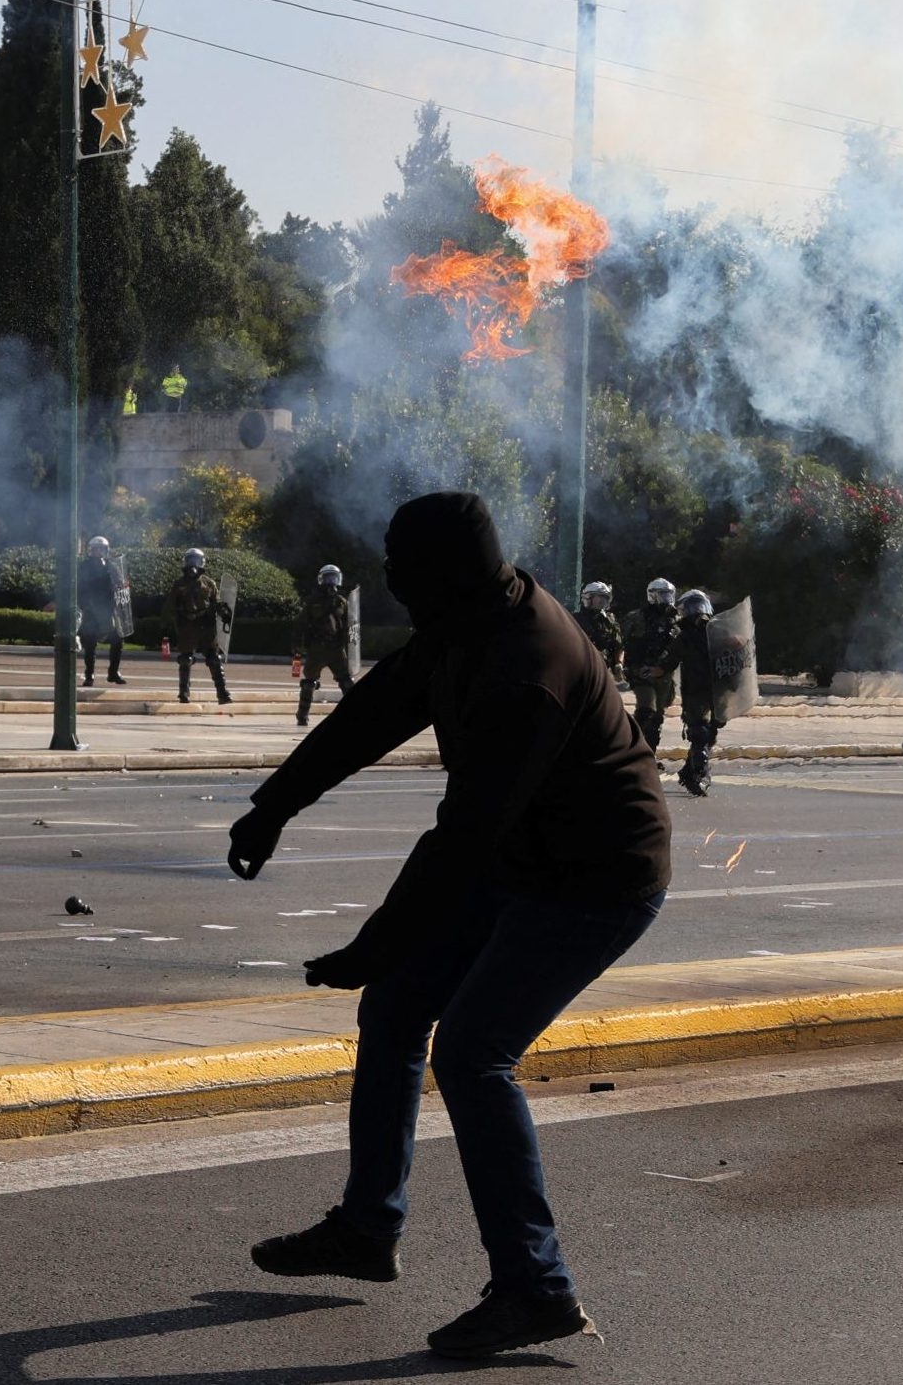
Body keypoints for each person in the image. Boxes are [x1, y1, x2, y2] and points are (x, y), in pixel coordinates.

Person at [229, 492, 670, 1360]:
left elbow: (463, 838)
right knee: (394, 1010)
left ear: (440, 575)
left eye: (400, 567)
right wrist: (271, 806)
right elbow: (372, 713)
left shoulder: (525, 666)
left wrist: (374, 943)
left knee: (471, 1052)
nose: (387, 581)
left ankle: (535, 1289)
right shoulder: (463, 622)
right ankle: (366, 1230)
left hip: (596, 880)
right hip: (520, 862)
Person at [673, 589, 723, 797]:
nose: (696, 612)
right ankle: (700, 775)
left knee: (709, 733)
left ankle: (688, 772)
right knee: (700, 732)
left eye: (698, 606)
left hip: (716, 691)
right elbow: (670, 658)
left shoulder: (717, 630)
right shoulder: (683, 635)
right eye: (692, 607)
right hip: (696, 691)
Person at [294, 563, 355, 727]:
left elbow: (350, 624)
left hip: (336, 648)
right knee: (309, 683)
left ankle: (355, 714)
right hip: (317, 648)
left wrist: (350, 645)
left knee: (347, 682)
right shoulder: (312, 601)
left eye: (334, 578)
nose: (331, 581)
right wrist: (298, 647)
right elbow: (301, 625)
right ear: (321, 580)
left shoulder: (341, 602)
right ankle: (302, 716)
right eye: (328, 578)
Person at [170, 547, 233, 705]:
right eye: (190, 560)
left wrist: (223, 611)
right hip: (187, 625)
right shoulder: (179, 584)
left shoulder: (208, 583)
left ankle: (222, 693)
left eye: (196, 560)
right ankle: (184, 693)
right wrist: (167, 626)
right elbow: (170, 605)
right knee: (185, 659)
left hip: (206, 625)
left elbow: (216, 601)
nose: (193, 564)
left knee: (214, 659)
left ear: (202, 562)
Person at [622, 578, 679, 751]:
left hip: (663, 672)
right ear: (652, 595)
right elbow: (623, 644)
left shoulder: (676, 619)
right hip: (641, 671)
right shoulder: (637, 617)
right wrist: (631, 668)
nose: (666, 598)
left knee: (657, 717)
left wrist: (663, 668)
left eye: (669, 594)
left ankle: (649, 753)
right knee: (646, 709)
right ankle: (632, 749)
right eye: (662, 594)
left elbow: (680, 648)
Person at [77, 535, 128, 687]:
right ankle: (89, 674)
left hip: (108, 610)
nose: (99, 552)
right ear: (91, 550)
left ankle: (113, 672)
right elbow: (79, 587)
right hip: (90, 609)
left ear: (106, 550)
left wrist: (120, 585)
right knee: (90, 642)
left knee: (117, 639)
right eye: (96, 549)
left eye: (101, 549)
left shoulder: (111, 566)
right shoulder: (84, 566)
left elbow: (120, 585)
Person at [574, 581, 623, 681]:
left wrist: (618, 664)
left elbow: (618, 645)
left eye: (605, 598)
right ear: (588, 598)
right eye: (599, 597)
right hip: (580, 671)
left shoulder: (610, 620)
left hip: (603, 672)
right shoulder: (576, 619)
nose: (602, 601)